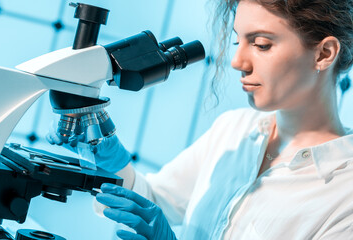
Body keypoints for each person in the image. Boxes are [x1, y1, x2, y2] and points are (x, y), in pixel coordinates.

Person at [47, 0, 353, 239]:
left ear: (324, 54)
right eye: (237, 42)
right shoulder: (234, 130)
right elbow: (155, 204)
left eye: (261, 44)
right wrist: (113, 162)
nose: (237, 62)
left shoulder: (344, 195)